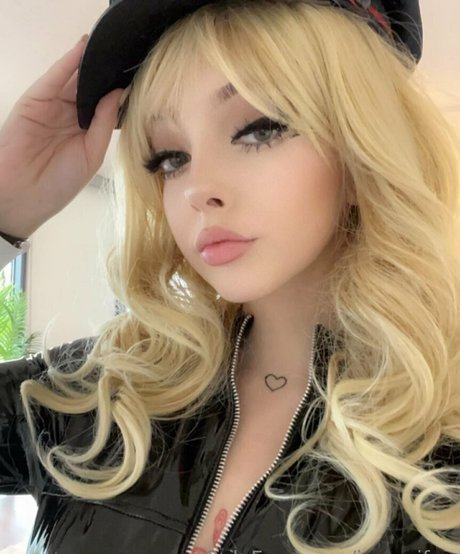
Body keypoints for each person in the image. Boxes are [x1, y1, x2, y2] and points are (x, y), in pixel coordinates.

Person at [1, 0, 460, 552]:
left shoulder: (444, 449)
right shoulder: (97, 400)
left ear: (364, 151)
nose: (198, 188)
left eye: (257, 129)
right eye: (171, 157)